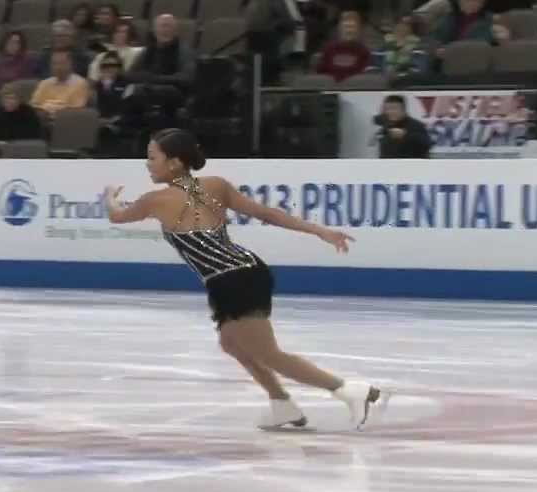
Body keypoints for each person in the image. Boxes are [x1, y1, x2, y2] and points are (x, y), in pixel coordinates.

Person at [103, 128, 387, 430]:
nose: (147, 164)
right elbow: (268, 214)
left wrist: (109, 198)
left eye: (152, 158)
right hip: (244, 273)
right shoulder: (214, 185)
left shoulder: (154, 200)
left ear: (174, 163)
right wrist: (319, 230)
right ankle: (281, 404)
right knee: (232, 344)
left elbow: (117, 216)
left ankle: (352, 391)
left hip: (233, 280)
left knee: (269, 354)